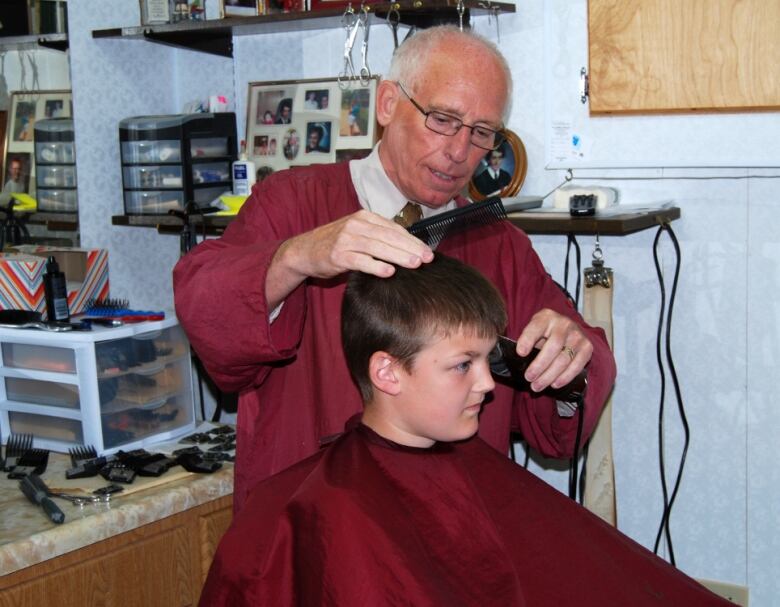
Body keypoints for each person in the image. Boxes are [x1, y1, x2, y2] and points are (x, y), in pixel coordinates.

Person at [173, 26, 617, 512]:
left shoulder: (500, 245)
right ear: (387, 104)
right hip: (314, 523)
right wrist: (296, 257)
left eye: (482, 133)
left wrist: (570, 357)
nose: (459, 151)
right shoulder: (292, 203)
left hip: (455, 522)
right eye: (443, 119)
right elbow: (204, 305)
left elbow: (577, 374)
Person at [199, 255, 729, 606]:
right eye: (463, 365)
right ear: (388, 372)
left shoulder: (477, 473)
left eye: (487, 359)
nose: (489, 385)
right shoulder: (298, 511)